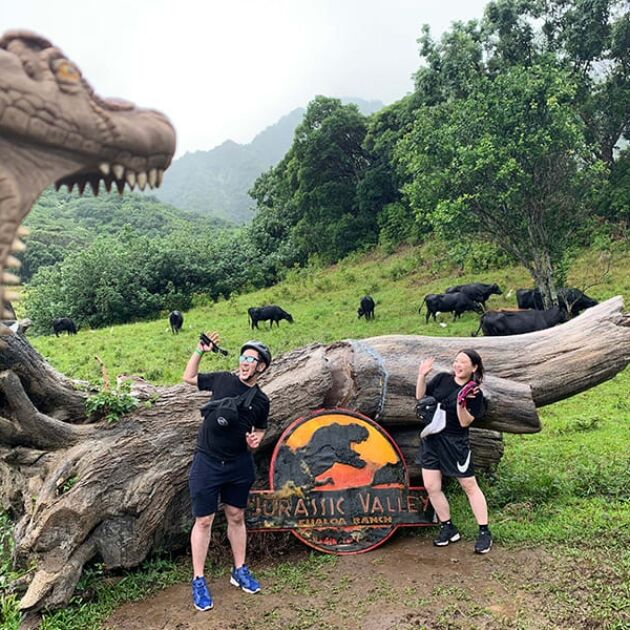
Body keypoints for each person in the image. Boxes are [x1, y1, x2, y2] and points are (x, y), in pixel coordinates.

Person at [183, 332, 271, 611]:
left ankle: (240, 569)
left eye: (251, 359)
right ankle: (199, 579)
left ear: (261, 367)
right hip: (207, 461)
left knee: (236, 515)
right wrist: (199, 351)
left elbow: (259, 429)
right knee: (205, 520)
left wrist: (256, 440)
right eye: (243, 357)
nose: (245, 362)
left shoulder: (261, 400)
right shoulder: (222, 379)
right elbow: (188, 377)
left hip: (238, 464)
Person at [416, 349, 492, 554]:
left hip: (455, 442)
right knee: (431, 486)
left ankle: (484, 532)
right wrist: (422, 375)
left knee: (468, 485)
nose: (458, 365)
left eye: (464, 362)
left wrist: (461, 402)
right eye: (456, 361)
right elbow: (420, 395)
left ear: (474, 368)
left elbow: (464, 422)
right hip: (431, 439)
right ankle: (447, 527)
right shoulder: (442, 379)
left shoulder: (474, 392)